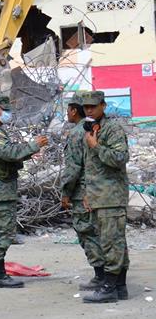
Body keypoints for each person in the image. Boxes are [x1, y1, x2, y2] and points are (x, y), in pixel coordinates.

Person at [0, 93, 48, 288]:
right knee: (3, 230)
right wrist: (33, 146)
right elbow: (8, 153)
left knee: (0, 229)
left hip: (0, 186)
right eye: (4, 110)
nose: (8, 114)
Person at [79, 90, 130, 303]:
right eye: (86, 107)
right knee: (112, 241)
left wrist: (96, 146)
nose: (89, 110)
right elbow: (90, 168)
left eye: (93, 106)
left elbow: (120, 158)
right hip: (99, 195)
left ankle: (109, 286)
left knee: (111, 242)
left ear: (103, 106)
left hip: (111, 195)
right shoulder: (91, 129)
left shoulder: (112, 129)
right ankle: (119, 286)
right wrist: (88, 193)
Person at [60, 91, 105, 290]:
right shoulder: (94, 128)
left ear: (73, 111)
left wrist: (66, 192)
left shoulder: (77, 132)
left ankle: (101, 275)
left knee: (87, 233)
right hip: (99, 188)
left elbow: (74, 168)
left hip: (83, 192)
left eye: (68, 110)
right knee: (100, 231)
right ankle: (108, 275)